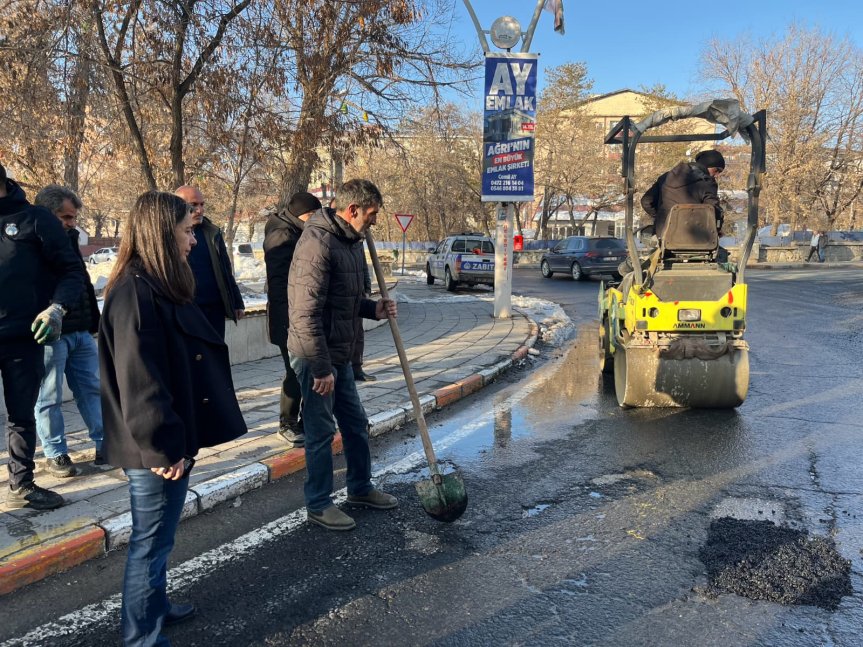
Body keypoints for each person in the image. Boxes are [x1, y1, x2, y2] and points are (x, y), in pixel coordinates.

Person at [100, 191, 247, 646]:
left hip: (170, 439)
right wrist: (163, 446)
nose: (194, 240)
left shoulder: (159, 285)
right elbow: (140, 381)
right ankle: (142, 636)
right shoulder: (135, 293)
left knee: (161, 538)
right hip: (155, 448)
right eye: (187, 230)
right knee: (149, 543)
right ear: (163, 234)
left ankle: (156, 606)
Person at [288, 179, 398, 531]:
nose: (374, 222)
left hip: (339, 353)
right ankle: (319, 503)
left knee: (355, 424)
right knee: (320, 432)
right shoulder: (317, 244)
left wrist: (373, 309)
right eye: (371, 215)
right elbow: (305, 313)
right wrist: (321, 368)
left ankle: (360, 488)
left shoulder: (350, 241)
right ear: (352, 210)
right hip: (315, 356)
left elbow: (343, 300)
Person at [1, 164, 85, 510]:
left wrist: (56, 309)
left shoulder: (34, 219)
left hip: (23, 337)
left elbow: (71, 271)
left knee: (22, 414)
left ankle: (21, 483)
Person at [33, 185, 104, 476]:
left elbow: (82, 283)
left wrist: (92, 322)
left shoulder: (71, 238)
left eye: (73, 218)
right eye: (65, 217)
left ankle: (106, 443)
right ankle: (56, 453)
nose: (71, 224)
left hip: (81, 331)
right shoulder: (29, 242)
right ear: (46, 214)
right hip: (51, 334)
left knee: (92, 390)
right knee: (48, 396)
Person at [264, 191, 321, 447]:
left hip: (297, 313)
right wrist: (290, 318)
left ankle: (305, 420)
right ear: (301, 215)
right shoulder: (282, 235)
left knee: (302, 369)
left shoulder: (297, 231)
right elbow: (279, 283)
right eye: (312, 215)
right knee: (295, 370)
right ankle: (287, 423)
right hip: (287, 315)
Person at [174, 185, 244, 338]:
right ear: (177, 206)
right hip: (187, 309)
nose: (199, 210)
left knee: (216, 356)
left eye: (202, 204)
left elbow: (225, 270)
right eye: (193, 205)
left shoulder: (212, 233)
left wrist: (236, 301)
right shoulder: (170, 235)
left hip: (214, 309)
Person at [641, 149, 725, 239]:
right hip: (695, 239)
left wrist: (662, 217)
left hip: (665, 237)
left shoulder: (665, 177)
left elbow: (646, 201)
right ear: (707, 165)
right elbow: (713, 211)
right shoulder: (707, 183)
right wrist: (717, 228)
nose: (717, 175)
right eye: (717, 170)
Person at [351, 250, 377, 382]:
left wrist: (367, 288)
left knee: (358, 334)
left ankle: (356, 368)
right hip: (346, 295)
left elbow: (363, 267)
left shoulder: (358, 241)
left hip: (359, 294)